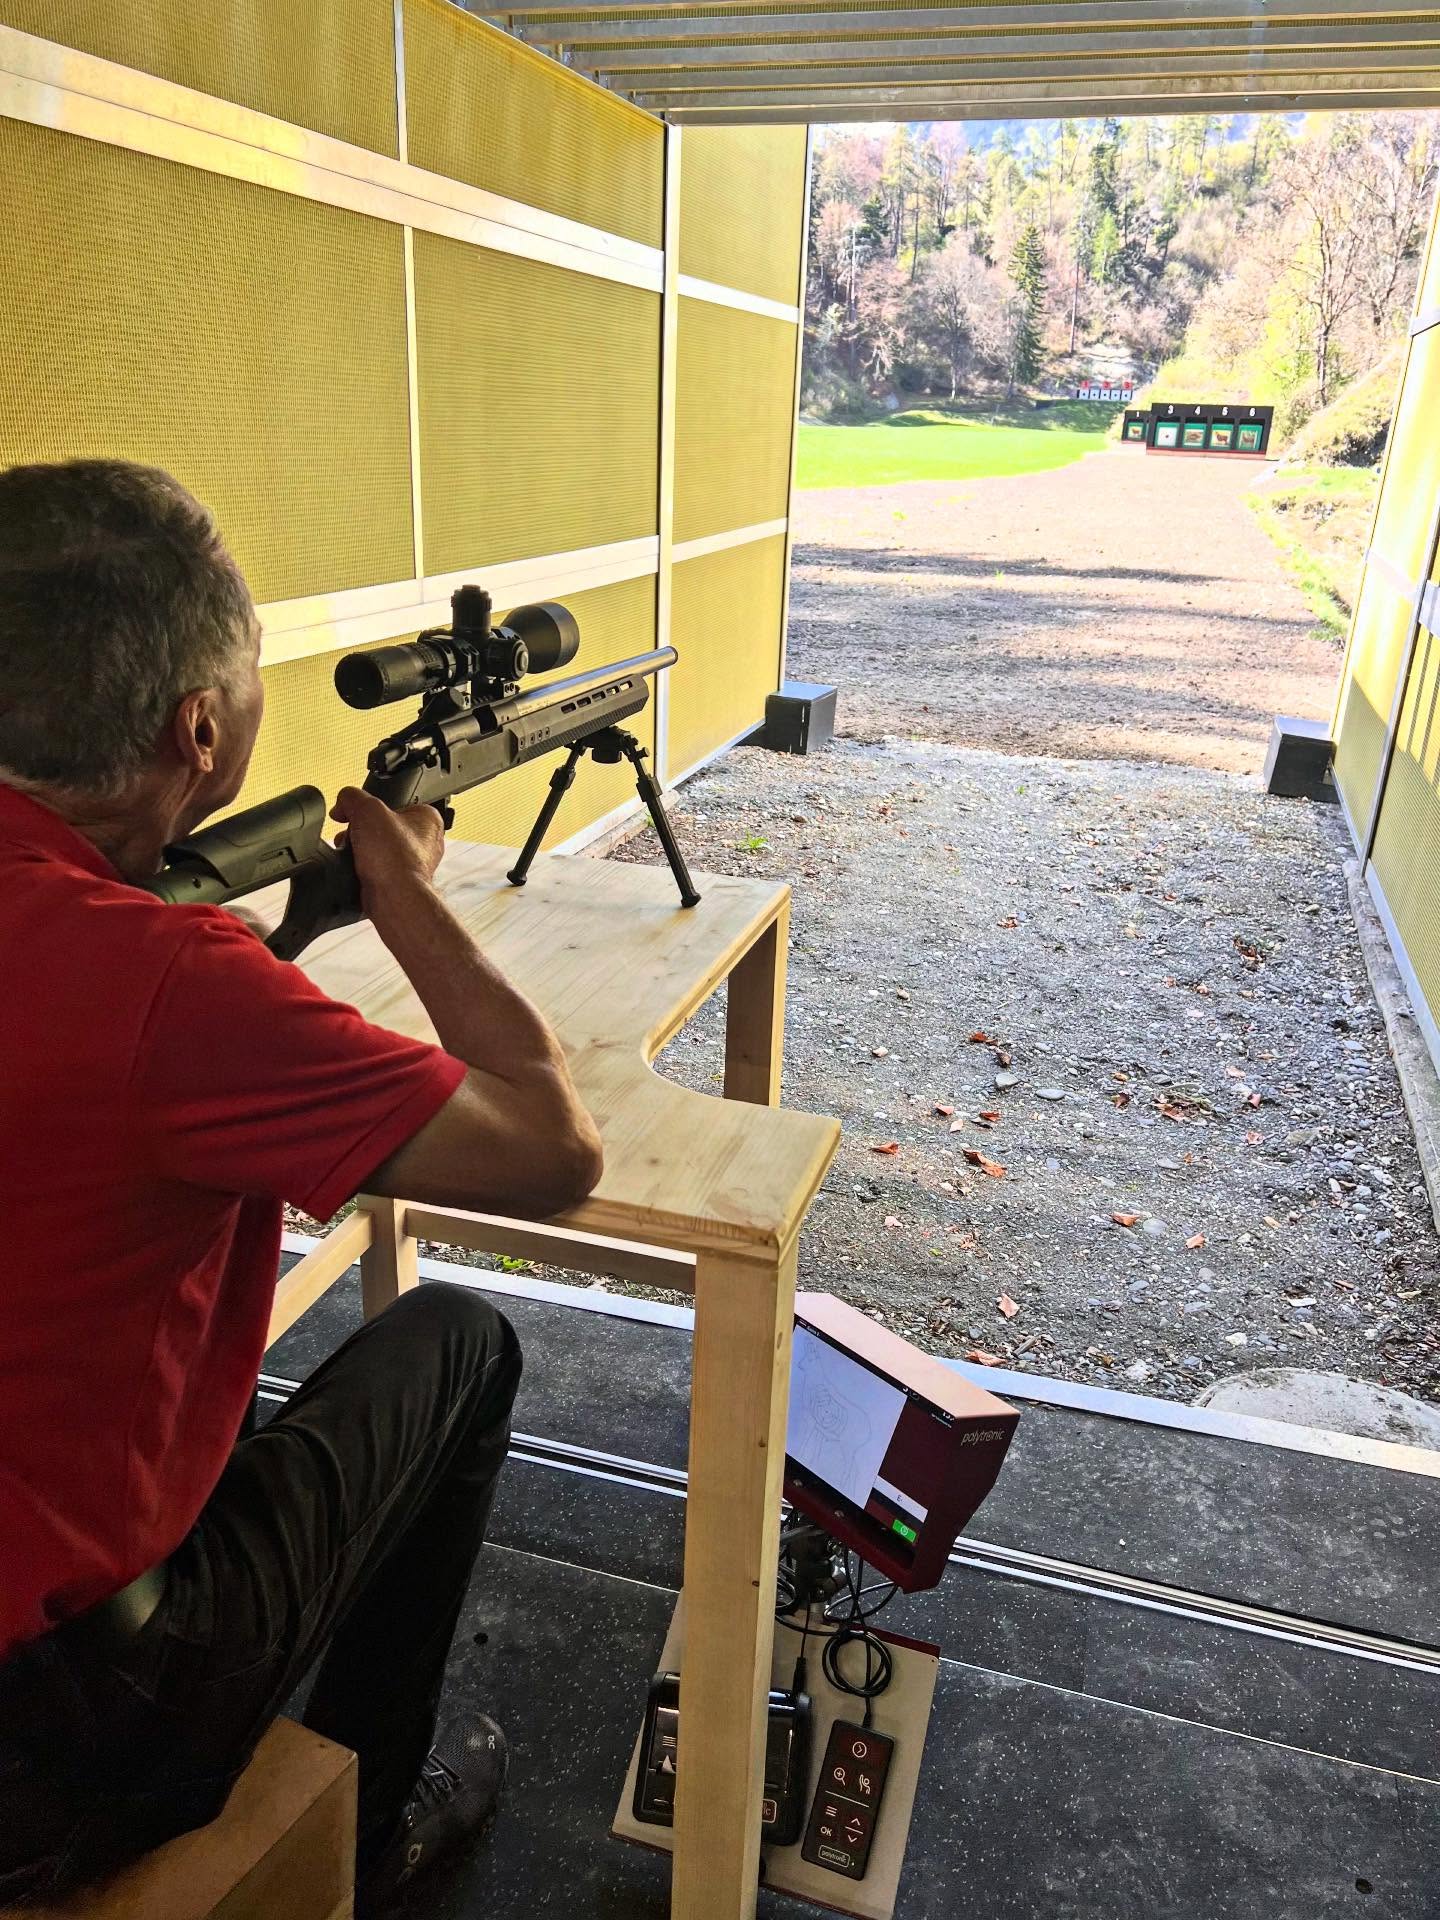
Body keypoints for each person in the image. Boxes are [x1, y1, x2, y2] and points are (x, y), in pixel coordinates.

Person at [0, 460, 604, 1912]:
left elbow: (101, 1078)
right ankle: (381, 1827)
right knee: (462, 1342)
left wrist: (282, 937)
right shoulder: (166, 979)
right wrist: (404, 895)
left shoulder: (155, 978)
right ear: (198, 732)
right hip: (54, 1749)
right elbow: (550, 1150)